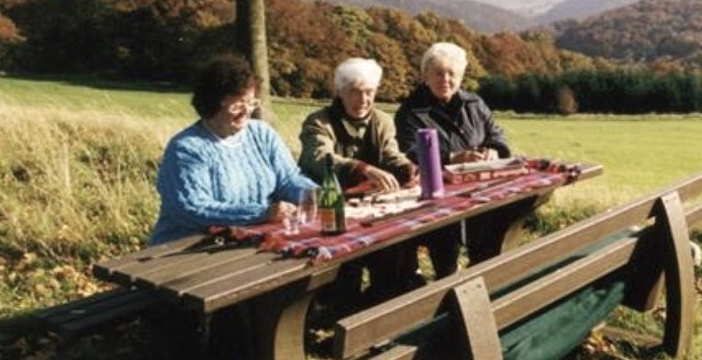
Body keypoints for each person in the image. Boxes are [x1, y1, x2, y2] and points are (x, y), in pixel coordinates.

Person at [151, 55, 318, 245]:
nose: (246, 111)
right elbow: (193, 208)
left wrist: (315, 195)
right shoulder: (187, 149)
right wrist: (263, 213)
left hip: (243, 240)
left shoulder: (262, 134)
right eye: (238, 105)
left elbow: (288, 179)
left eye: (252, 102)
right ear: (212, 103)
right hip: (185, 247)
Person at [298, 57, 422, 303]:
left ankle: (383, 305)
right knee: (344, 276)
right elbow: (319, 158)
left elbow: (391, 155)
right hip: (330, 211)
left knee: (398, 246)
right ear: (340, 92)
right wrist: (363, 168)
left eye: (369, 92)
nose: (363, 100)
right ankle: (342, 310)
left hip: (371, 208)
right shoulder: (319, 121)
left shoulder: (382, 121)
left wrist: (407, 168)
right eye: (355, 92)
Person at [394, 41, 518, 277]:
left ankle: (485, 283)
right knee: (446, 251)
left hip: (481, 191)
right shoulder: (410, 112)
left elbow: (497, 134)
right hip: (438, 197)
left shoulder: (474, 103)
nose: (446, 79)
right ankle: (448, 288)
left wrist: (493, 149)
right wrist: (453, 157)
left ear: (461, 76)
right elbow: (409, 151)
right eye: (438, 73)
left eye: (452, 73)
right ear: (425, 76)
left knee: (492, 236)